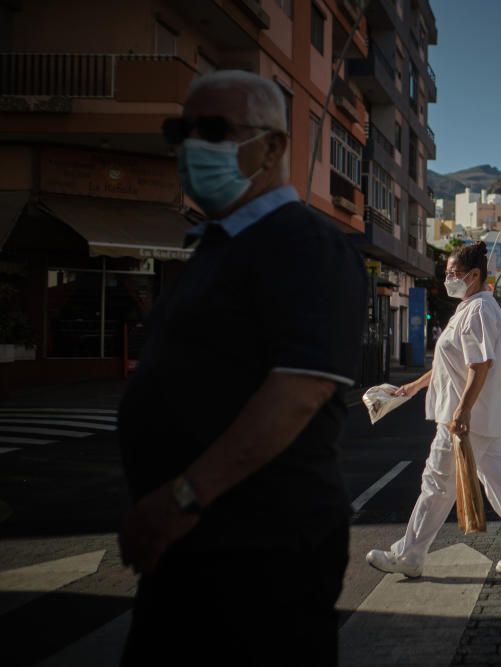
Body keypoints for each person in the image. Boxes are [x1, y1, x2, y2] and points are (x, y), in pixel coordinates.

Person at [116, 71, 367, 665]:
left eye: (213, 131)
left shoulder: (305, 243)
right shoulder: (217, 246)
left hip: (262, 550)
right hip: (199, 545)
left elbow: (296, 392)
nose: (191, 147)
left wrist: (181, 499)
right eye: (181, 131)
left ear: (274, 147)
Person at [366, 242, 501, 577]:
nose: (448, 278)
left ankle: (408, 555)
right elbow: (447, 363)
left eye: (454, 273)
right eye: (448, 273)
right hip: (484, 418)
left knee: (436, 483)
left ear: (475, 275)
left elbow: (478, 366)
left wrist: (462, 412)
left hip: (464, 419)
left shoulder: (478, 312)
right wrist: (411, 387)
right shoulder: (471, 308)